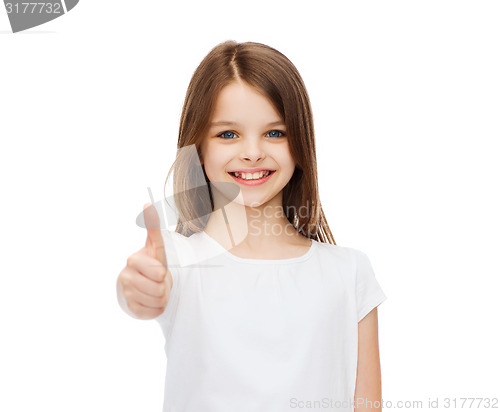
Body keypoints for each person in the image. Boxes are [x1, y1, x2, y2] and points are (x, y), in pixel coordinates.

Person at [116, 40, 387, 412]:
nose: (253, 152)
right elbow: (141, 289)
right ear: (198, 146)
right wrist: (138, 289)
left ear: (300, 142)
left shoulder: (349, 272)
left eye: (275, 132)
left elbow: (368, 405)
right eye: (228, 134)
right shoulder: (179, 263)